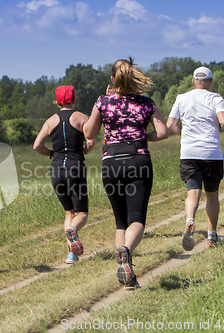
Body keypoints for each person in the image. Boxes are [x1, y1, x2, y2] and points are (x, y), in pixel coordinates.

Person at [83, 57, 168, 290]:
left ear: (113, 79)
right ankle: (126, 252)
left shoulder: (103, 101)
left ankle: (127, 278)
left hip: (111, 162)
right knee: (137, 219)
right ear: (133, 78)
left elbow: (89, 132)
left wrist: (101, 108)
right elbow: (162, 132)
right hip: (138, 161)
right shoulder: (146, 102)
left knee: (121, 221)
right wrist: (141, 136)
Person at [167, 66, 224, 251]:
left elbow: (171, 124)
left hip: (189, 153)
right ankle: (211, 237)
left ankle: (190, 219)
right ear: (210, 82)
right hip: (211, 153)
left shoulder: (181, 98)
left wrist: (184, 135)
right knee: (211, 195)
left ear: (193, 81)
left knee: (192, 193)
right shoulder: (215, 98)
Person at [33, 86, 95, 265]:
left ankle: (71, 255)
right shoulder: (82, 118)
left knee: (69, 211)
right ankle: (73, 230)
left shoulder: (50, 121)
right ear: (73, 99)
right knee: (81, 213)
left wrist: (52, 153)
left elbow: (37, 146)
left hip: (56, 170)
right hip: (75, 169)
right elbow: (90, 143)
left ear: (57, 101)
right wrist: (85, 148)